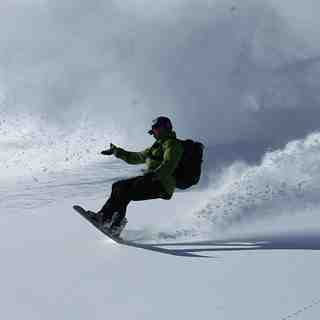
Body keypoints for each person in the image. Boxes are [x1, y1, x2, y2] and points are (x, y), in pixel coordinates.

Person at [89, 116, 184, 237]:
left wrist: (154, 175)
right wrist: (116, 151)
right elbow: (136, 157)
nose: (154, 133)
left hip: (162, 184)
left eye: (157, 129)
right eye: (153, 130)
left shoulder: (173, 144)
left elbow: (169, 164)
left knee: (124, 192)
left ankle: (114, 223)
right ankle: (105, 218)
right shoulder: (156, 146)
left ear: (166, 128)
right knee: (118, 186)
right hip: (152, 179)